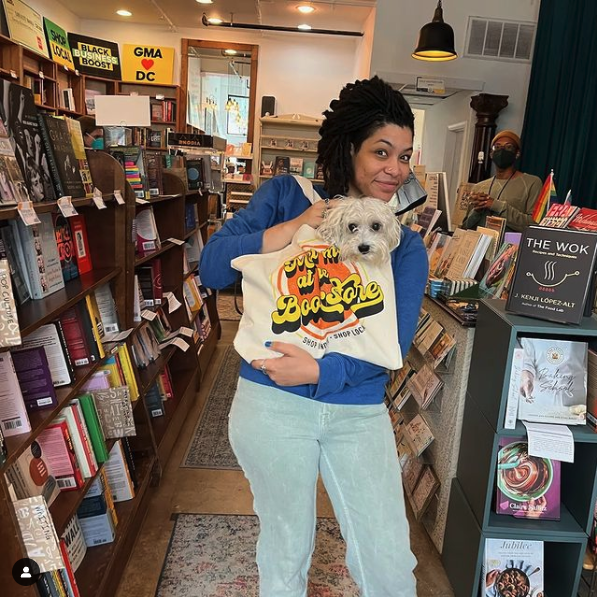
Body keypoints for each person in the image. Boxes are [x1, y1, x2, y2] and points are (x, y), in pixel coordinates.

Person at [199, 76, 428, 597]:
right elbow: (213, 268)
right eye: (382, 152)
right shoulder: (284, 196)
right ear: (349, 149)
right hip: (271, 405)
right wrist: (295, 227)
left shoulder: (403, 245)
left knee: (388, 557)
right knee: (284, 549)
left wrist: (322, 370)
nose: (396, 169)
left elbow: (390, 347)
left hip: (357, 409)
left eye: (405, 156)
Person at [462, 130, 542, 232]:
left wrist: (496, 205)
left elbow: (534, 225)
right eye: (497, 147)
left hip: (510, 246)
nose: (502, 151)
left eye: (508, 147)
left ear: (517, 153)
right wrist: (477, 211)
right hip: (480, 245)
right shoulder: (479, 187)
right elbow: (465, 227)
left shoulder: (532, 183)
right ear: (491, 154)